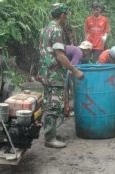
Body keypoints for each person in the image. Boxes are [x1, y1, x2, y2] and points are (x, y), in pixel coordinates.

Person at [38, 3, 83, 148]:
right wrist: (75, 71)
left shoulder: (45, 29)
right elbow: (60, 56)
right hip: (54, 74)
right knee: (54, 106)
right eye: (66, 15)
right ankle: (49, 139)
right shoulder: (57, 30)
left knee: (48, 103)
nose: (66, 18)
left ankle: (51, 133)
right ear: (62, 15)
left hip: (45, 73)